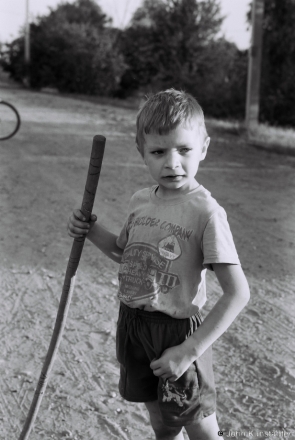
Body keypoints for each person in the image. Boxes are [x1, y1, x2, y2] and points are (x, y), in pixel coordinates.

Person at [67, 89, 250, 440]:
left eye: (184, 149)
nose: (172, 163)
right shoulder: (140, 201)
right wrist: (91, 231)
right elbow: (126, 253)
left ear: (204, 148)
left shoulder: (206, 213)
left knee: (199, 426)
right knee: (162, 424)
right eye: (158, 151)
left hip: (178, 333)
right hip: (134, 326)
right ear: (142, 153)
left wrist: (188, 351)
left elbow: (237, 293)